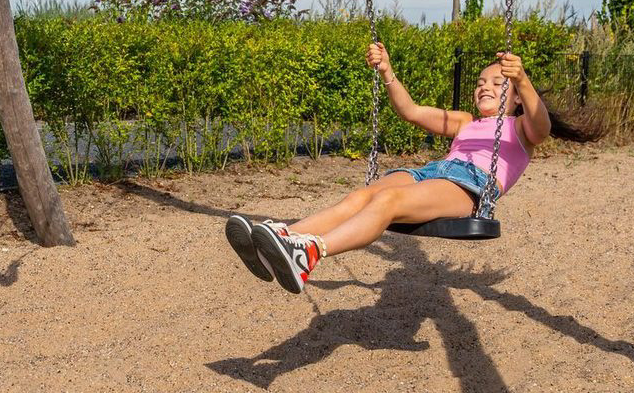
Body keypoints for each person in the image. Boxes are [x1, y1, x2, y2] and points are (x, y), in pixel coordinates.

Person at [226, 43, 551, 293]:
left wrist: (522, 79)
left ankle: (311, 252)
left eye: (498, 82)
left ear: (517, 97)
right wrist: (387, 71)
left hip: (468, 185)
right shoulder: (465, 121)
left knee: (387, 201)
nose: (484, 87)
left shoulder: (522, 128)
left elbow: (542, 126)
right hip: (431, 172)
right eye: (480, 82)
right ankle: (282, 239)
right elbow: (410, 111)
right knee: (360, 197)